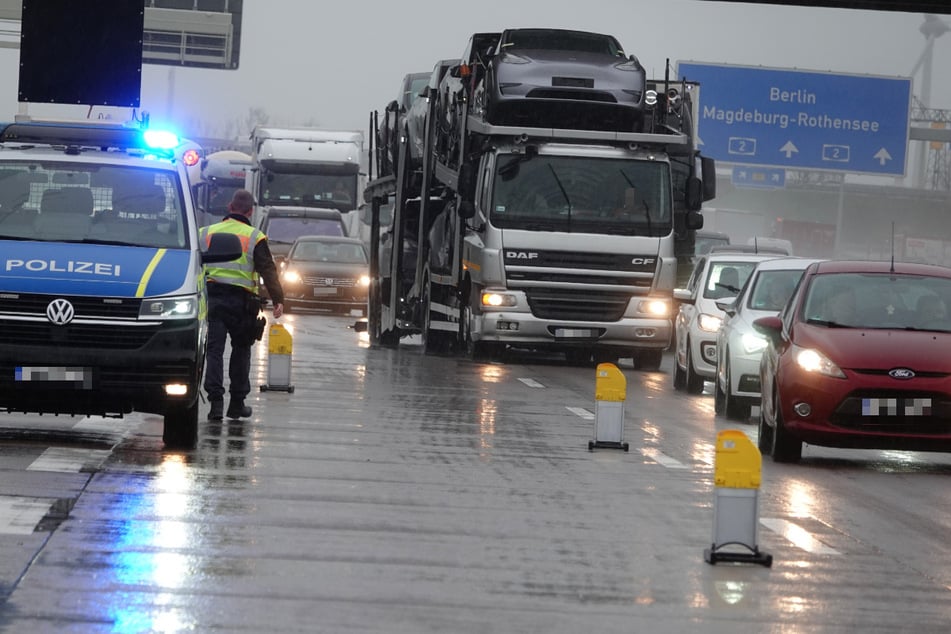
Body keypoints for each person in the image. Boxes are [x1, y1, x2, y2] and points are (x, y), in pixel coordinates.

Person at [200, 189, 285, 421]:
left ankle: (215, 404)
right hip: (242, 303)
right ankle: (236, 404)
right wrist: (278, 299)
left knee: (214, 352)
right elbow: (268, 269)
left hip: (212, 299)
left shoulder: (205, 233)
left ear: (229, 207)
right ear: (250, 211)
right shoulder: (255, 237)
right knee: (241, 351)